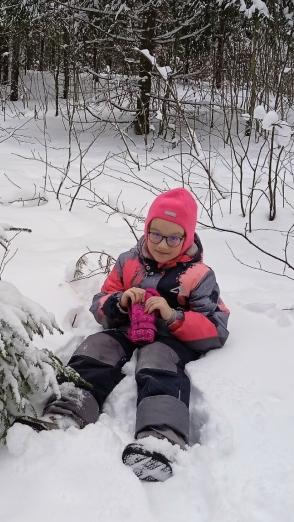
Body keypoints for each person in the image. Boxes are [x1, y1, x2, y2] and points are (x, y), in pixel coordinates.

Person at [27, 188, 229, 482]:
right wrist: (119, 303)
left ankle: (161, 437)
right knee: (97, 347)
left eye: (174, 238)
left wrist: (173, 316)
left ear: (187, 239)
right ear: (147, 230)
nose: (162, 244)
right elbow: (101, 301)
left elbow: (216, 327)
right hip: (126, 328)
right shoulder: (128, 262)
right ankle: (66, 411)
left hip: (169, 338)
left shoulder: (199, 275)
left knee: (158, 363)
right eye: (156, 235)